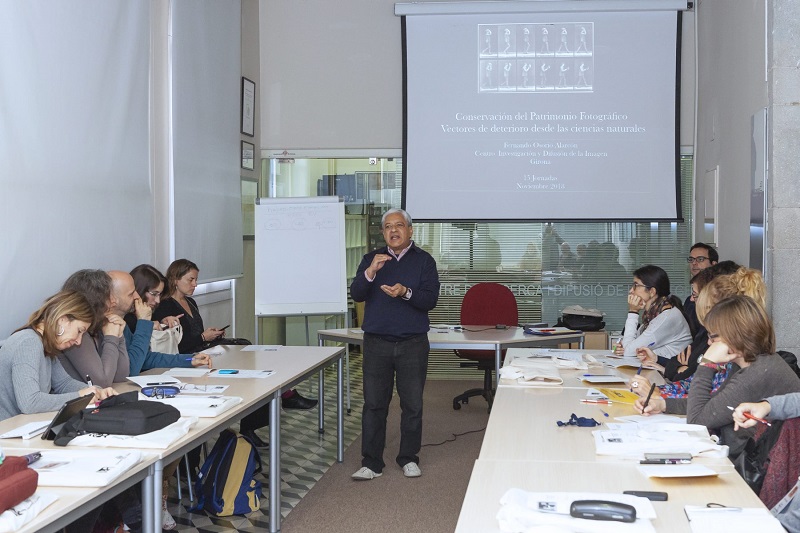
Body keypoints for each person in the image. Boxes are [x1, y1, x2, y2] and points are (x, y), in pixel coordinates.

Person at [635, 295, 800, 458]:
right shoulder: (749, 363)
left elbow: (696, 421)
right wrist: (663, 405)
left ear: (734, 335)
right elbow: (713, 405)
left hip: (744, 469)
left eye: (713, 337)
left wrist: (707, 364)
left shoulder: (756, 374)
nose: (708, 343)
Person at [154, 259, 317, 411]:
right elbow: (175, 345)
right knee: (247, 363)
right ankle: (286, 397)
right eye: (191, 280)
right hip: (190, 357)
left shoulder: (191, 302)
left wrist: (212, 335)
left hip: (204, 351)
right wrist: (203, 338)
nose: (195, 284)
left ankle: (280, 398)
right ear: (175, 279)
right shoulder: (165, 307)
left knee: (248, 352)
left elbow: (196, 334)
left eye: (196, 280)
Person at [350, 208, 439, 480]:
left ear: (410, 230)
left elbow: (429, 300)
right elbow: (356, 293)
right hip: (377, 343)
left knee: (412, 404)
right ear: (383, 232)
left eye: (399, 225)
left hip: (412, 343)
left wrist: (405, 292)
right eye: (388, 227)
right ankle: (371, 462)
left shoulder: (424, 261)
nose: (393, 231)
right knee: (374, 404)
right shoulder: (371, 259)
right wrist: (370, 273)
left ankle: (408, 458)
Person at [0, 289, 116, 421]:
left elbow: (63, 383)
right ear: (62, 320)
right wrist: (80, 396)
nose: (78, 341)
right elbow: (30, 402)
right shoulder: (29, 342)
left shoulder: (45, 343)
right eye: (79, 331)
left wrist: (97, 391)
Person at [59, 269, 130, 387]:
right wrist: (111, 338)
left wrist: (119, 336)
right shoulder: (76, 335)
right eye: (108, 296)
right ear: (94, 300)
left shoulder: (97, 326)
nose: (114, 301)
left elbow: (121, 376)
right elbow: (103, 382)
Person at [614, 264, 691, 361]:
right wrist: (622, 346)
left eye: (636, 285)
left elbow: (629, 352)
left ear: (652, 291)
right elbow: (632, 346)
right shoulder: (653, 314)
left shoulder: (667, 317)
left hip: (670, 373)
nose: (631, 291)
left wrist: (633, 311)